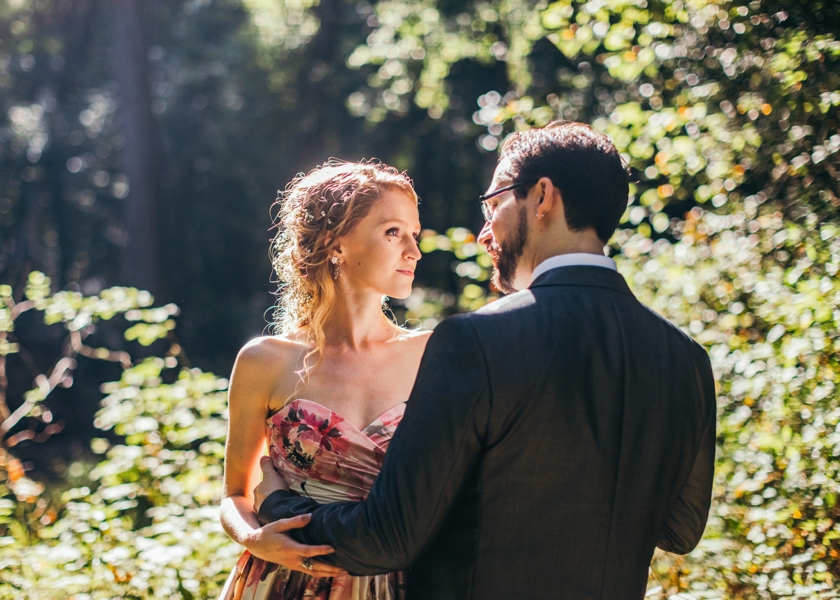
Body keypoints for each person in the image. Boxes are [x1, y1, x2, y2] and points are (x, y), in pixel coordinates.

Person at [253, 122, 717, 600]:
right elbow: (680, 530)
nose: (484, 233)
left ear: (542, 198)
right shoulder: (686, 360)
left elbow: (386, 539)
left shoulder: (475, 342)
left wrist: (276, 504)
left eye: (493, 205)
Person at [218, 160, 431, 600]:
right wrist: (254, 539)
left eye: (415, 234)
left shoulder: (433, 354)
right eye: (393, 232)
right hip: (285, 581)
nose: (414, 250)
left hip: (401, 583)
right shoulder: (265, 362)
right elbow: (234, 495)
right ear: (336, 243)